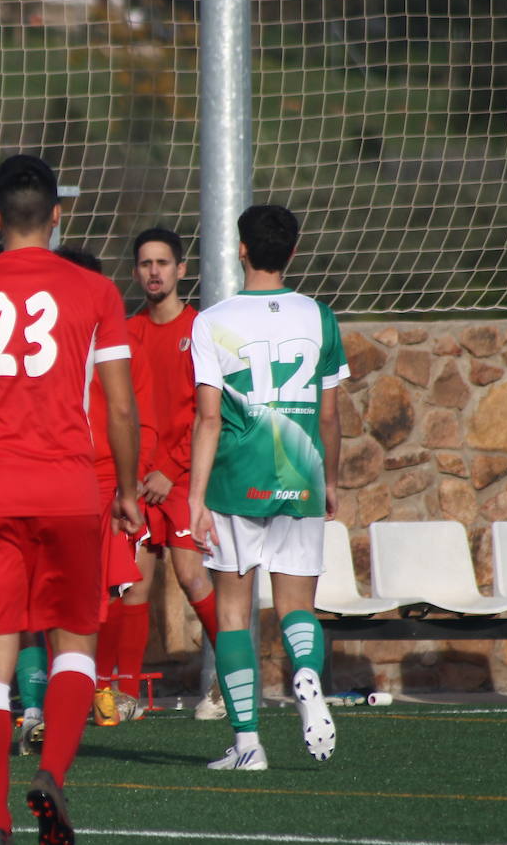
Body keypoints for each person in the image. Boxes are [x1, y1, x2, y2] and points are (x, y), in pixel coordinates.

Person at [0, 155, 141, 845]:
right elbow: (122, 409)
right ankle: (53, 775)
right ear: (58, 214)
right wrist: (128, 490)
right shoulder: (95, 292)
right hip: (69, 486)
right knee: (75, 644)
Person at [189, 204, 347, 771]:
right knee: (297, 607)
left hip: (236, 481)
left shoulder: (210, 321)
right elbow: (329, 417)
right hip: (301, 476)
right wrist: (330, 479)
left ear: (241, 250)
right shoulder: (320, 318)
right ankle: (305, 673)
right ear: (294, 253)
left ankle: (248, 745)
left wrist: (194, 496)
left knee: (233, 614)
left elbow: (208, 419)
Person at [118, 228, 225, 722]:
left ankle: (229, 682)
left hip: (181, 478)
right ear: (136, 271)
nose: (154, 271)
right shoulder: (127, 333)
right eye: (145, 263)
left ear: (181, 270)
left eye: (163, 262)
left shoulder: (199, 329)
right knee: (134, 585)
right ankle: (124, 693)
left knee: (189, 574)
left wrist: (171, 468)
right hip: (140, 481)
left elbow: (206, 415)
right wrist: (136, 476)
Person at [57, 247, 157, 731]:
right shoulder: (46, 346)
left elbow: (143, 419)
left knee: (118, 589)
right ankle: (48, 700)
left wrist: (130, 480)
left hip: (107, 483)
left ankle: (109, 691)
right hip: (57, 480)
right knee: (57, 594)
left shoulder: (120, 347)